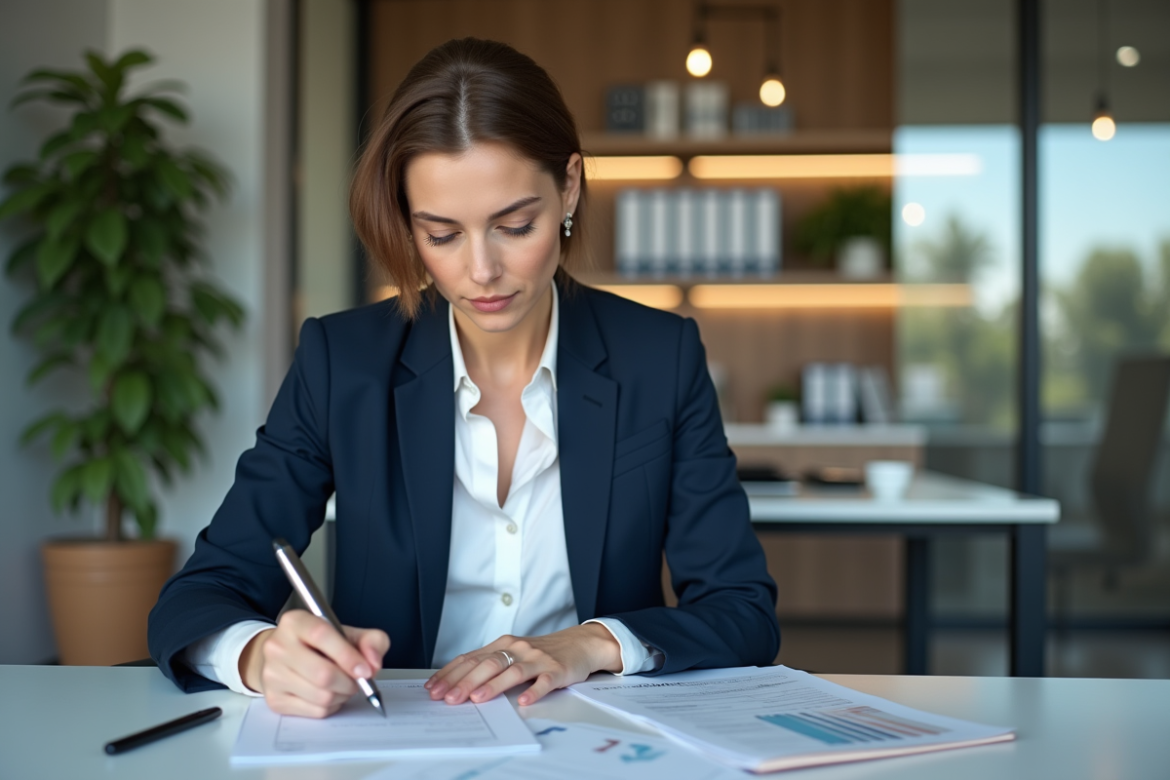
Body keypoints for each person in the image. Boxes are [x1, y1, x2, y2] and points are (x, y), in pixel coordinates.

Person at [148, 37, 779, 719]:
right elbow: (200, 595)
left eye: (514, 225)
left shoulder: (658, 355)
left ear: (568, 186)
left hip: (596, 740)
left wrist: (593, 643)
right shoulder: (343, 362)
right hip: (396, 738)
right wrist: (260, 654)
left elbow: (741, 608)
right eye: (442, 234)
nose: (481, 271)